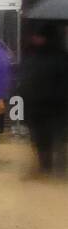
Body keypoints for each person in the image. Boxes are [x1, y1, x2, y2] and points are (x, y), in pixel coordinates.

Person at [19, 24, 68, 176]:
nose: (34, 38)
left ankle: (51, 171)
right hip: (41, 110)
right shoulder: (34, 57)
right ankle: (49, 171)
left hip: (51, 109)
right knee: (45, 142)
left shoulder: (56, 59)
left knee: (52, 142)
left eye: (38, 36)